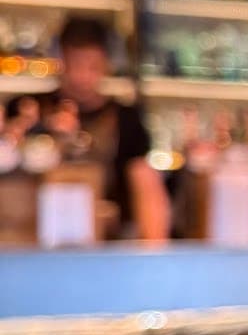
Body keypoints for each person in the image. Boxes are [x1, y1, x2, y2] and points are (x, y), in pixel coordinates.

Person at [12, 17, 171, 242]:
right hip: (30, 242)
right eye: (74, 64)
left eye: (92, 66)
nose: (81, 76)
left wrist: (154, 249)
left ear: (108, 63)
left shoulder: (126, 118)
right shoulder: (26, 110)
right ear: (60, 59)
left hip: (106, 245)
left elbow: (146, 183)